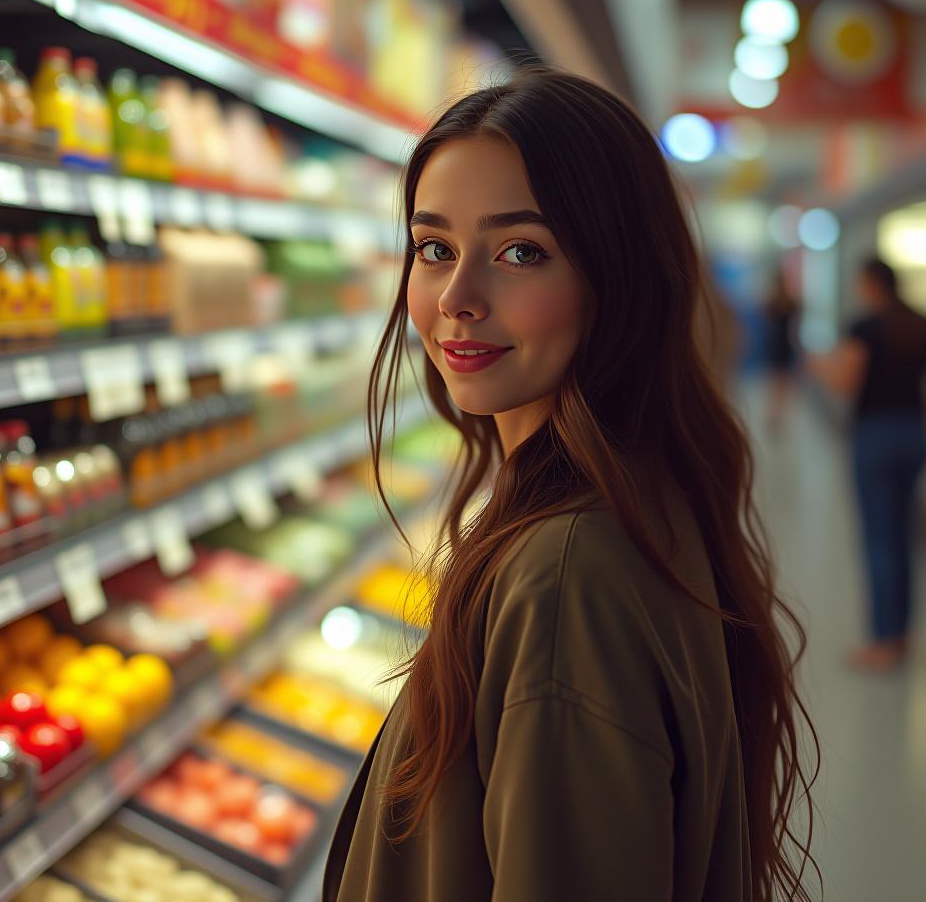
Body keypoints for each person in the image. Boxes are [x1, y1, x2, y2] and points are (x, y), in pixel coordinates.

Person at [323, 66, 820, 901]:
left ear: (616, 280)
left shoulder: (564, 581)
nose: (456, 297)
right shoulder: (641, 494)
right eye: (433, 247)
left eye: (522, 252)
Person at [807, 257, 926, 674]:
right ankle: (901, 633)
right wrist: (925, 420)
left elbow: (847, 381)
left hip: (875, 437)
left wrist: (818, 366)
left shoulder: (865, 327)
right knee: (903, 536)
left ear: (871, 284)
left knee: (879, 539)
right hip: (913, 433)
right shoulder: (925, 324)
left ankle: (884, 643)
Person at [763, 266, 801, 433]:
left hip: (775, 343)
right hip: (785, 343)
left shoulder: (772, 301)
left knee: (776, 381)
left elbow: (766, 318)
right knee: (783, 382)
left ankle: (774, 414)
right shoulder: (791, 302)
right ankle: (778, 414)